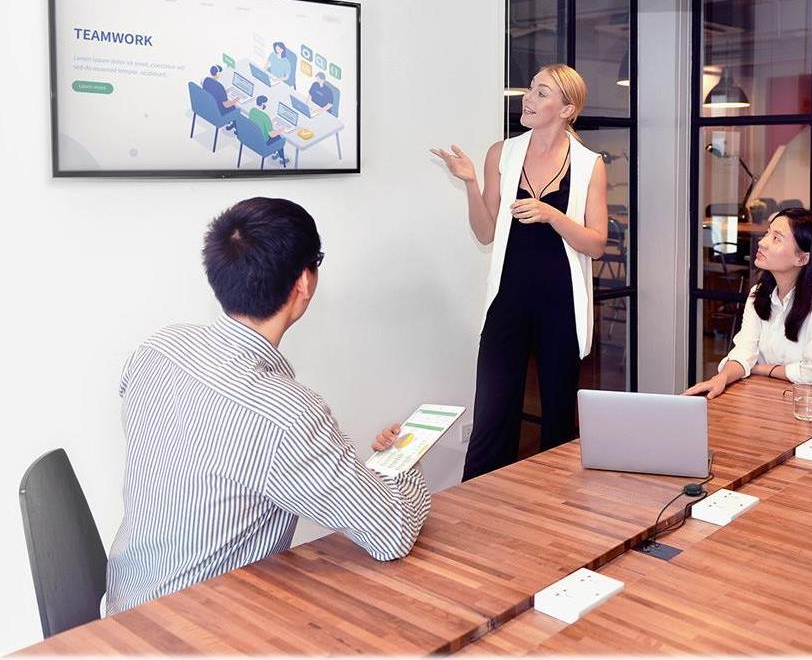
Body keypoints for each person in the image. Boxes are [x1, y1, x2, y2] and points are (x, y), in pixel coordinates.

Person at [106, 198, 431, 614]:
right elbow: (392, 532)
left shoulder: (159, 348)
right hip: (201, 629)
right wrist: (403, 463)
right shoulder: (288, 413)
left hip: (123, 612)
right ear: (303, 283)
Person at [431, 64, 608, 481]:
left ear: (567, 109)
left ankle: (558, 503)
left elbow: (596, 244)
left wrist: (552, 215)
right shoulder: (502, 153)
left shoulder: (589, 165)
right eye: (530, 89)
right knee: (492, 414)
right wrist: (471, 183)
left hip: (561, 304)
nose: (528, 98)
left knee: (558, 416)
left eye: (541, 92)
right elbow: (485, 232)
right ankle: (479, 501)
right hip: (507, 300)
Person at [684, 208, 812, 399]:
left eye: (776, 238)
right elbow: (744, 351)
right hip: (770, 396)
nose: (762, 242)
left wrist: (759, 368)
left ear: (802, 258)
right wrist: (722, 378)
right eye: (767, 233)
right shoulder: (758, 292)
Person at [249, 94, 289, 166]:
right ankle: (282, 159)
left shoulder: (252, 111)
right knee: (279, 138)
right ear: (262, 104)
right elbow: (272, 135)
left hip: (254, 138)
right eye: (265, 103)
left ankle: (275, 153)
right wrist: (281, 129)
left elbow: (259, 123)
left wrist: (269, 123)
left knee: (275, 135)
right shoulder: (265, 117)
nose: (266, 105)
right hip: (263, 142)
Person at [201, 64, 238, 131]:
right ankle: (235, 126)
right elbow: (226, 105)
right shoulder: (220, 87)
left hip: (209, 107)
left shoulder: (206, 80)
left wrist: (224, 92)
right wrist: (236, 100)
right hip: (219, 112)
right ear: (218, 74)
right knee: (234, 107)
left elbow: (213, 92)